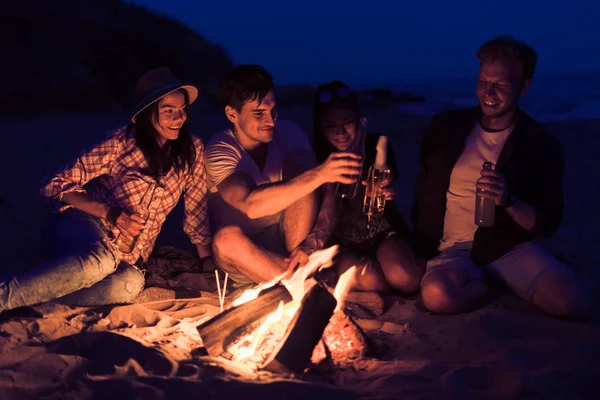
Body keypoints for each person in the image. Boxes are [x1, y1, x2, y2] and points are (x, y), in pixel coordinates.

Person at [0, 67, 212, 311]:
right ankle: (5, 295)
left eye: (182, 109)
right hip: (82, 227)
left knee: (129, 284)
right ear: (147, 113)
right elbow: (52, 184)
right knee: (100, 260)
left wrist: (206, 260)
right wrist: (109, 213)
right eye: (168, 111)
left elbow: (196, 210)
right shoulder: (120, 143)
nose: (179, 118)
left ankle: (38, 295)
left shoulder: (191, 150)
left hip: (126, 255)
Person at [412, 36, 590, 320]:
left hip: (507, 247)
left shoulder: (541, 144)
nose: (489, 93)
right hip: (452, 249)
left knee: (572, 303)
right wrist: (421, 247)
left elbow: (547, 223)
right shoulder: (445, 127)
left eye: (500, 85)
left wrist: (508, 200)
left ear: (525, 86)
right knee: (437, 297)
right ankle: (487, 285)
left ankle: (514, 274)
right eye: (483, 83)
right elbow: (423, 192)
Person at [205, 65, 362, 284]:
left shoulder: (290, 132)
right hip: (245, 258)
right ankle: (309, 285)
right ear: (232, 113)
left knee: (299, 163)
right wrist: (320, 174)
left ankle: (299, 274)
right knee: (225, 239)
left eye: (273, 110)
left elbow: (328, 191)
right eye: (259, 113)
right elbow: (250, 205)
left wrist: (314, 241)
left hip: (293, 247)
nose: (271, 121)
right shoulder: (220, 150)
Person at [312, 81, 422, 294]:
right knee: (375, 284)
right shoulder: (315, 159)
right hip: (342, 243)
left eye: (347, 123)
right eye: (330, 126)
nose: (341, 132)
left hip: (381, 233)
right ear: (320, 127)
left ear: (359, 120)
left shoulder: (376, 146)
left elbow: (387, 171)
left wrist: (387, 185)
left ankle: (422, 263)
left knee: (407, 280)